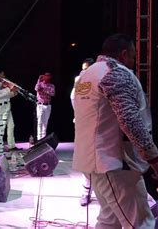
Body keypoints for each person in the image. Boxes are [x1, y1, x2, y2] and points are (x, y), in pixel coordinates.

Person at [72, 33, 158, 228]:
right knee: (141, 223)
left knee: (110, 221)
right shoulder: (116, 73)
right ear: (124, 54)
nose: (133, 61)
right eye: (133, 56)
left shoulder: (86, 76)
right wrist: (156, 162)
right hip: (115, 165)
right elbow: (130, 121)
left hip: (95, 162)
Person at [70, 57, 95, 206]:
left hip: (99, 127)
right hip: (83, 125)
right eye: (83, 69)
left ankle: (101, 192)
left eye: (87, 69)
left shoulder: (100, 81)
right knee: (86, 160)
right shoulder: (80, 83)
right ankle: (86, 192)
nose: (84, 72)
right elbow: (75, 100)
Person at [0, 71, 17, 152]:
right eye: (1, 74)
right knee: (1, 128)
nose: (3, 76)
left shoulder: (5, 83)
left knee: (11, 126)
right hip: (0, 108)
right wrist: (5, 86)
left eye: (4, 74)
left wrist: (14, 92)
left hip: (7, 107)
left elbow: (9, 95)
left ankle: (11, 145)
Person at [35, 72, 55, 140]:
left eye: (48, 76)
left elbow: (52, 93)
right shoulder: (40, 84)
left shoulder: (51, 85)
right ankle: (38, 139)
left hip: (48, 105)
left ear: (50, 77)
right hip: (40, 105)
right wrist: (38, 80)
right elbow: (36, 89)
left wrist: (44, 91)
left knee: (45, 123)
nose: (46, 77)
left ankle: (43, 139)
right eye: (45, 76)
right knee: (39, 122)